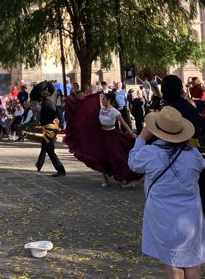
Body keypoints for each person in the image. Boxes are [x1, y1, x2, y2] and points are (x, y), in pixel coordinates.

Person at [128, 107, 205, 278]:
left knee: (172, 261)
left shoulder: (150, 153)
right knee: (192, 262)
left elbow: (133, 163)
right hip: (191, 215)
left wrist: (141, 138)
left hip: (162, 214)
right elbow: (200, 167)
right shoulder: (194, 155)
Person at [65, 91, 140, 187]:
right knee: (101, 156)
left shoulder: (114, 111)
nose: (102, 100)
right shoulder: (101, 109)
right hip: (101, 135)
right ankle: (104, 178)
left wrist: (131, 133)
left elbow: (123, 123)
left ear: (109, 100)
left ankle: (125, 177)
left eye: (104, 99)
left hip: (112, 136)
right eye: (102, 99)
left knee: (117, 157)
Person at [35, 87, 66, 177]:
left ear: (42, 96)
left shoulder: (47, 103)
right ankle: (39, 165)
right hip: (49, 128)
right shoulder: (48, 102)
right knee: (44, 147)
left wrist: (45, 121)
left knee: (50, 151)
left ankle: (60, 170)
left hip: (50, 129)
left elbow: (53, 114)